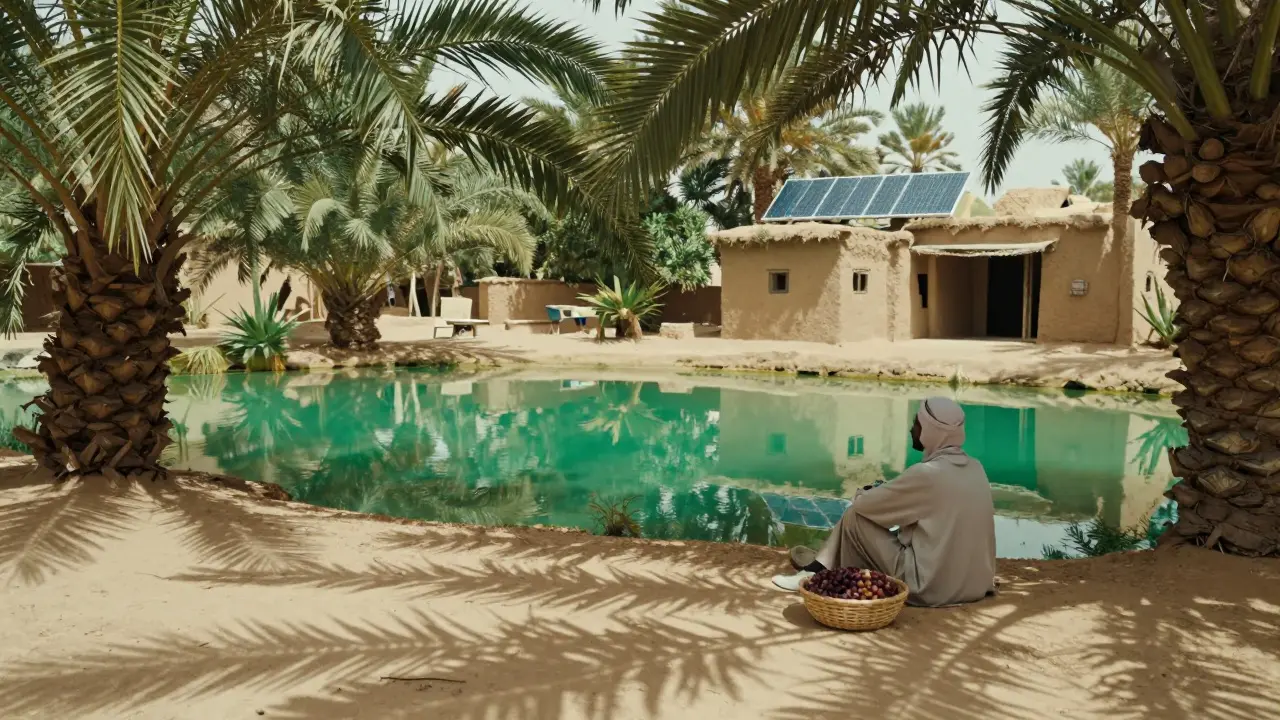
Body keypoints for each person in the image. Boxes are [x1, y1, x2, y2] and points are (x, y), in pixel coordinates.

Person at [772, 396, 996, 607]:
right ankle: (824, 563)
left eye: (917, 424)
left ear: (931, 432)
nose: (912, 429)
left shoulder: (928, 474)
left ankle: (815, 571)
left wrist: (864, 493)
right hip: (974, 585)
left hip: (929, 588)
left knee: (854, 517)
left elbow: (865, 508)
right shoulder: (976, 468)